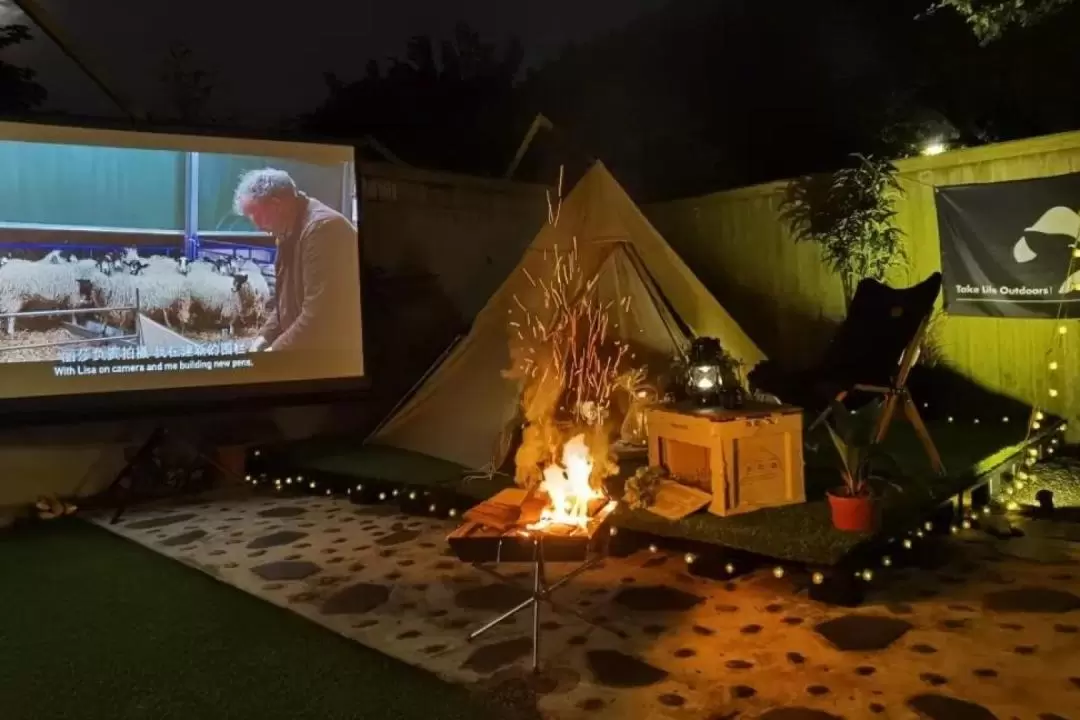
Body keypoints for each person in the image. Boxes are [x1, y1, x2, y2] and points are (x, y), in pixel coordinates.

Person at [234, 168, 360, 352]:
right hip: (311, 349)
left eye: (256, 214)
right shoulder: (288, 230)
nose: (257, 225)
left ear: (276, 205)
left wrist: (274, 352)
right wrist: (263, 338)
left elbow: (318, 314)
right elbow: (285, 303)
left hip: (333, 354)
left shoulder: (322, 230)